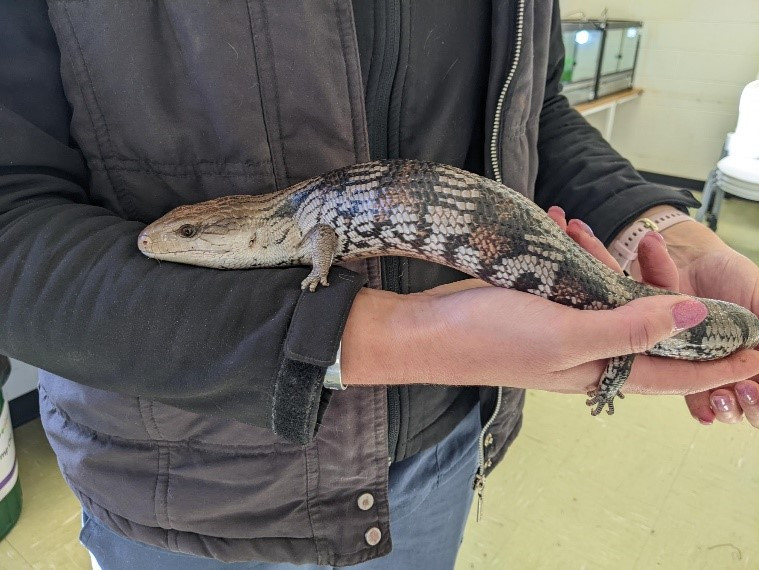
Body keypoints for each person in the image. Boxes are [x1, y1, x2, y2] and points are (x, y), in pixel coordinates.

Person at [1, 1, 758, 568]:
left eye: (193, 232)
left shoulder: (301, 225)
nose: (173, 239)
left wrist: (658, 228)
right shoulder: (287, 223)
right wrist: (372, 337)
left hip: (448, 449)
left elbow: (534, 110)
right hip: (188, 494)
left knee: (628, 322)